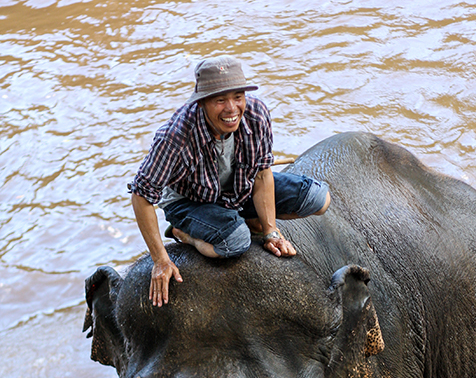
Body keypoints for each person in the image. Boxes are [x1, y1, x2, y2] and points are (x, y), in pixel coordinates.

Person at [129, 56, 331, 306]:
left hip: (238, 189)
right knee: (236, 242)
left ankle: (249, 219)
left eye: (237, 96)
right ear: (202, 102)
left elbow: (261, 173)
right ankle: (185, 233)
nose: (231, 108)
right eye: (220, 99)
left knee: (319, 199)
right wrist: (160, 260)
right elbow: (141, 194)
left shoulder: (256, 114)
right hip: (190, 201)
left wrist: (271, 232)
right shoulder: (176, 136)